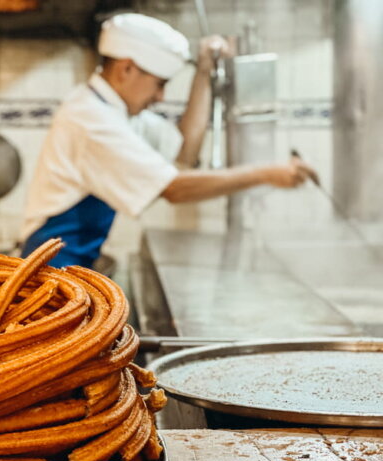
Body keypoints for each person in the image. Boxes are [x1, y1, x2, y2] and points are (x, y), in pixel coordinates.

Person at [20, 12, 318, 269]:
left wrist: (203, 71)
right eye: (159, 85)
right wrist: (266, 174)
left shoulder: (116, 111)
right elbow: (174, 188)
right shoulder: (90, 119)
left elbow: (184, 151)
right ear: (126, 69)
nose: (160, 97)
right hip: (49, 272)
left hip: (69, 266)